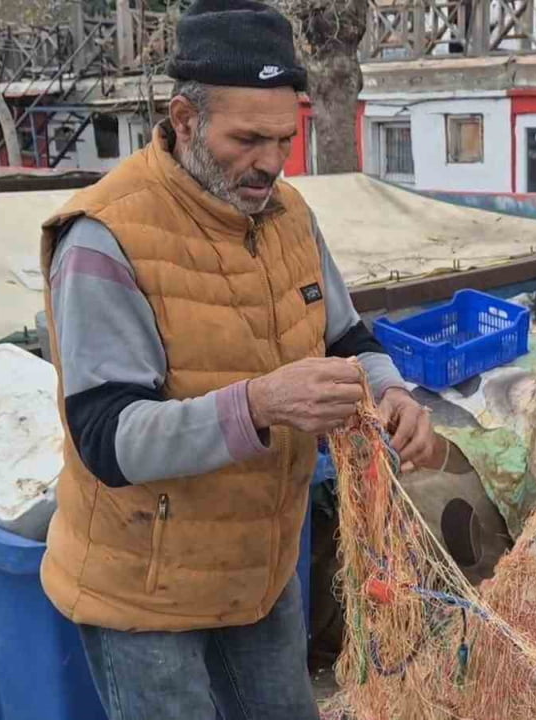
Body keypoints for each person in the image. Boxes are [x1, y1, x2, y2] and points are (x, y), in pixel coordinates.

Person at [37, 2, 434, 718]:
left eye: (285, 139)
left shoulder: (289, 215)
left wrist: (392, 391)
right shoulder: (105, 238)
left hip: (259, 568)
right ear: (185, 119)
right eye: (247, 139)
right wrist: (258, 405)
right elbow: (107, 438)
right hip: (146, 589)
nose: (270, 164)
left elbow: (345, 337)